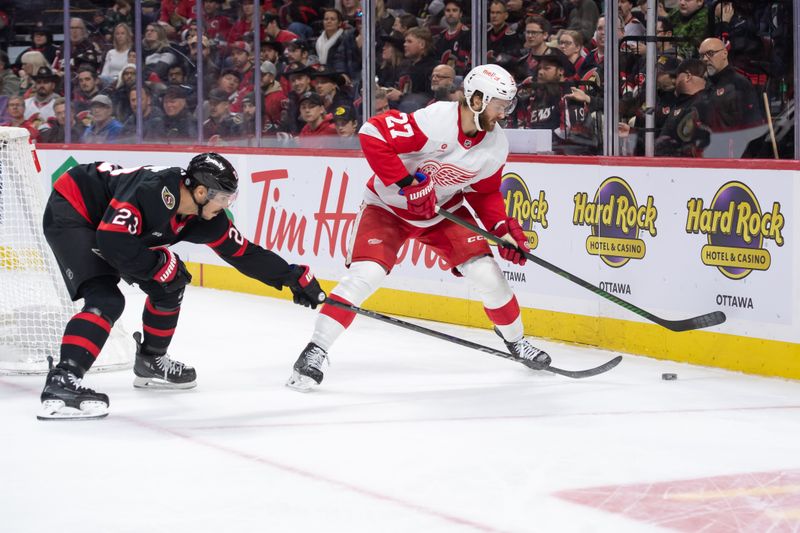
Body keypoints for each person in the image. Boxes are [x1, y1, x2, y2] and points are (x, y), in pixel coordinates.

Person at [286, 64, 551, 391]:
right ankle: (315, 350)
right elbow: (372, 133)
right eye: (500, 104)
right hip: (387, 207)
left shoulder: (496, 145)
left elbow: (485, 192)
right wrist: (409, 183)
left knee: (487, 276)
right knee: (364, 276)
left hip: (442, 211)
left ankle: (516, 341)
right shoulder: (436, 120)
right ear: (478, 98)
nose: (504, 112)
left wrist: (503, 229)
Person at [39, 153, 326, 419]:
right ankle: (63, 379)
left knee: (171, 283)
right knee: (106, 299)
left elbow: (244, 253)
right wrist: (156, 265)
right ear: (201, 192)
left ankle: (151, 361)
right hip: (75, 211)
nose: (226, 205)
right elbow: (112, 241)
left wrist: (291, 277)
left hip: (111, 227)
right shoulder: (153, 192)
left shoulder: (206, 217)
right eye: (224, 198)